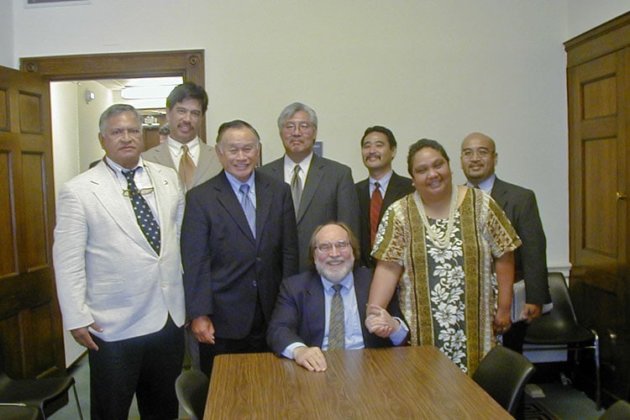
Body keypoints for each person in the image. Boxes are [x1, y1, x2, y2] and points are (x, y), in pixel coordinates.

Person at [53, 104, 185, 419]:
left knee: (164, 408)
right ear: (103, 139)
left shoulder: (168, 179)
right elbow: (68, 259)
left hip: (168, 319)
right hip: (113, 324)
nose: (126, 138)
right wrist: (75, 316)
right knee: (111, 410)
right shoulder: (79, 190)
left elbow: (176, 241)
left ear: (143, 134)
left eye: (133, 130)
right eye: (117, 132)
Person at [367, 139, 521, 375]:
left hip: (479, 330)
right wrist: (375, 313)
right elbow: (388, 267)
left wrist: (504, 308)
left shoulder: (481, 204)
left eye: (438, 165)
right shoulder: (399, 213)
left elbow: (504, 254)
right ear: (412, 179)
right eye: (422, 170)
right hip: (421, 334)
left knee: (479, 402)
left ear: (449, 166)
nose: (432, 174)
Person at [181, 119, 299, 376]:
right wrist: (199, 314)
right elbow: (195, 262)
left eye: (248, 149)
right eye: (233, 150)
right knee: (225, 395)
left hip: (272, 315)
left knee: (273, 392)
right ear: (219, 153)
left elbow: (290, 253)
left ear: (258, 151)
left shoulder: (278, 191)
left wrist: (291, 306)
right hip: (222, 320)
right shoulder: (200, 198)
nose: (242, 157)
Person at [267, 222, 408, 372]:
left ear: (353, 252)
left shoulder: (375, 282)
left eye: (341, 245)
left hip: (370, 370)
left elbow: (403, 337)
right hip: (315, 371)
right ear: (314, 256)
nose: (334, 254)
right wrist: (300, 351)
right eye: (324, 247)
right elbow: (278, 330)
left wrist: (394, 328)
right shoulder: (295, 288)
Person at [460, 132, 550, 353]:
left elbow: (534, 250)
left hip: (509, 295)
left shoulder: (521, 198)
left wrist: (535, 298)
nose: (474, 159)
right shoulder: (453, 198)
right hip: (466, 299)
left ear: (495, 158)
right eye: (467, 153)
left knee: (507, 359)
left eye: (482, 152)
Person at [259, 102, 360, 272]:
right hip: (274, 272)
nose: (296, 132)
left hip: (323, 271)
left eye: (304, 126)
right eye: (289, 126)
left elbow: (348, 230)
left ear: (314, 132)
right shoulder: (263, 175)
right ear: (281, 133)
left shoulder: (338, 174)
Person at [143, 82, 221, 191]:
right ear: (168, 113)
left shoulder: (219, 159)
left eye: (195, 113)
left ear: (202, 118)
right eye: (181, 111)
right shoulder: (146, 160)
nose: (187, 119)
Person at [355, 126, 414, 267]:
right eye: (366, 146)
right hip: (363, 273)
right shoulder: (353, 191)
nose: (372, 151)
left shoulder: (410, 189)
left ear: (393, 151)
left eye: (379, 145)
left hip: (401, 270)